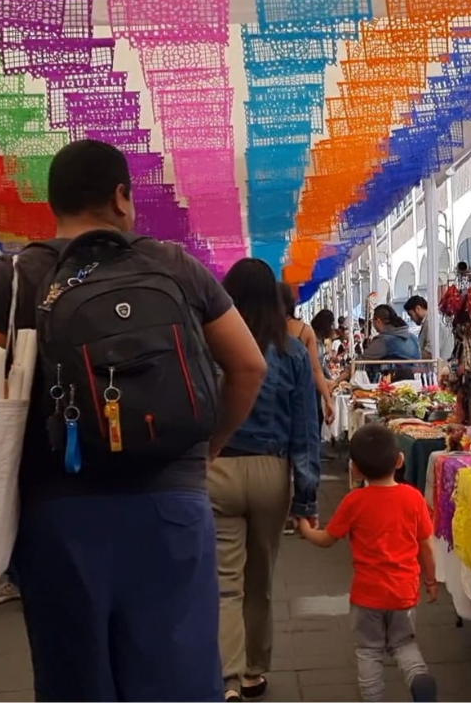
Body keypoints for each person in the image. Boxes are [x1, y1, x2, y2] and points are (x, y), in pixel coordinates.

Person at [0, 140, 268, 701]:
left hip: (58, 512)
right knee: (178, 675)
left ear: (53, 203)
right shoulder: (173, 265)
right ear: (122, 197)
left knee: (78, 680)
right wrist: (208, 446)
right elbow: (247, 364)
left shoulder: (15, 277)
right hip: (172, 505)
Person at [216, 260, 321, 701]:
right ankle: (255, 672)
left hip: (216, 467)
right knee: (260, 579)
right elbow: (305, 430)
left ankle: (226, 678)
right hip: (271, 472)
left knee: (224, 582)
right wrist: (306, 500)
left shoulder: (211, 344)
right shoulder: (292, 350)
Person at [297, 425, 438, 703]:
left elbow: (327, 539)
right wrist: (431, 581)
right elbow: (426, 546)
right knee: (404, 644)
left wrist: (305, 529)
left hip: (367, 595)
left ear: (355, 469)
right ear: (399, 461)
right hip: (404, 593)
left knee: (369, 651)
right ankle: (418, 677)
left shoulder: (354, 501)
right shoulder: (413, 498)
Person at [279, 283, 334, 426]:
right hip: (302, 396)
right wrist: (328, 400)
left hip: (274, 397)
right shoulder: (304, 330)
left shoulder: (261, 329)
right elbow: (315, 370)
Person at [404, 295, 451, 362]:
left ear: (418, 309)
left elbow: (430, 352)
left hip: (440, 367)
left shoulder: (431, 323)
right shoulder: (430, 321)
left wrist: (410, 356)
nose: (411, 319)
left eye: (411, 314)